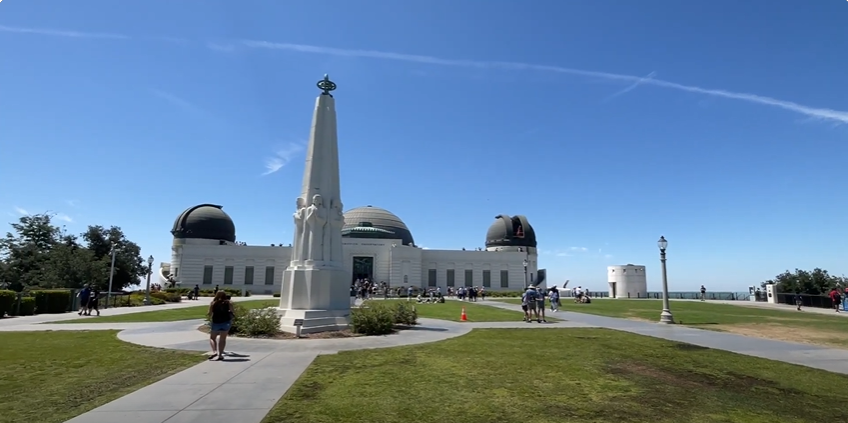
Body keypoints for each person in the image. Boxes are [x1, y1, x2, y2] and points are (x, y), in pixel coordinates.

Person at [207, 291, 234, 361]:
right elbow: (232, 311)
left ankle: (214, 351)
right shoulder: (228, 303)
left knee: (212, 338)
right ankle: (220, 355)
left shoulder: (213, 303)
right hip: (226, 322)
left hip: (216, 322)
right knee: (222, 339)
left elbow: (209, 313)